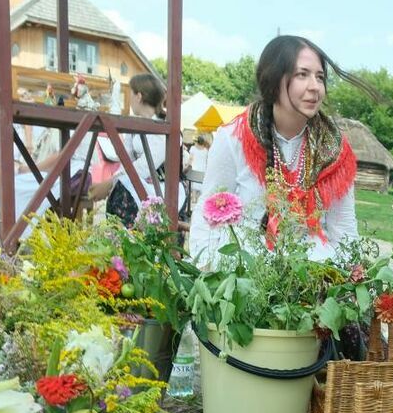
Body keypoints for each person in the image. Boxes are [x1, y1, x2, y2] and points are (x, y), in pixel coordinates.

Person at [190, 35, 373, 264]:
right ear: (274, 80)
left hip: (313, 275)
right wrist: (206, 272)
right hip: (246, 273)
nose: (315, 87)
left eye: (320, 77)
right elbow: (208, 214)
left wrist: (349, 280)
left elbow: (344, 227)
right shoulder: (234, 138)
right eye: (302, 74)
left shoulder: (335, 150)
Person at [88, 73, 168, 225]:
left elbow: (145, 168)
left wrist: (110, 182)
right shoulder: (137, 125)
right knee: (120, 189)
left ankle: (125, 242)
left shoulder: (162, 128)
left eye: (130, 94)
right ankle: (121, 242)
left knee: (121, 191)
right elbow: (126, 160)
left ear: (138, 96)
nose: (129, 99)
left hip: (162, 188)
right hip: (142, 184)